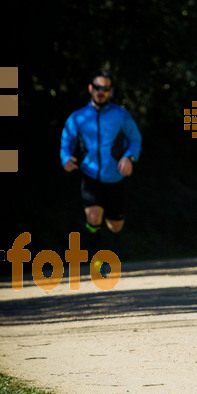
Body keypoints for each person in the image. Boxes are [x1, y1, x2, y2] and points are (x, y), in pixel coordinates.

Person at [60, 68, 142, 267]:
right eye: (97, 87)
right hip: (90, 174)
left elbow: (135, 140)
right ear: (90, 88)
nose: (100, 91)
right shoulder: (78, 117)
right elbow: (66, 142)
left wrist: (129, 158)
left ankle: (114, 239)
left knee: (115, 226)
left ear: (111, 91)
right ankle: (99, 260)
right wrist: (66, 158)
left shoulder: (121, 115)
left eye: (105, 88)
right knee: (94, 215)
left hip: (114, 177)